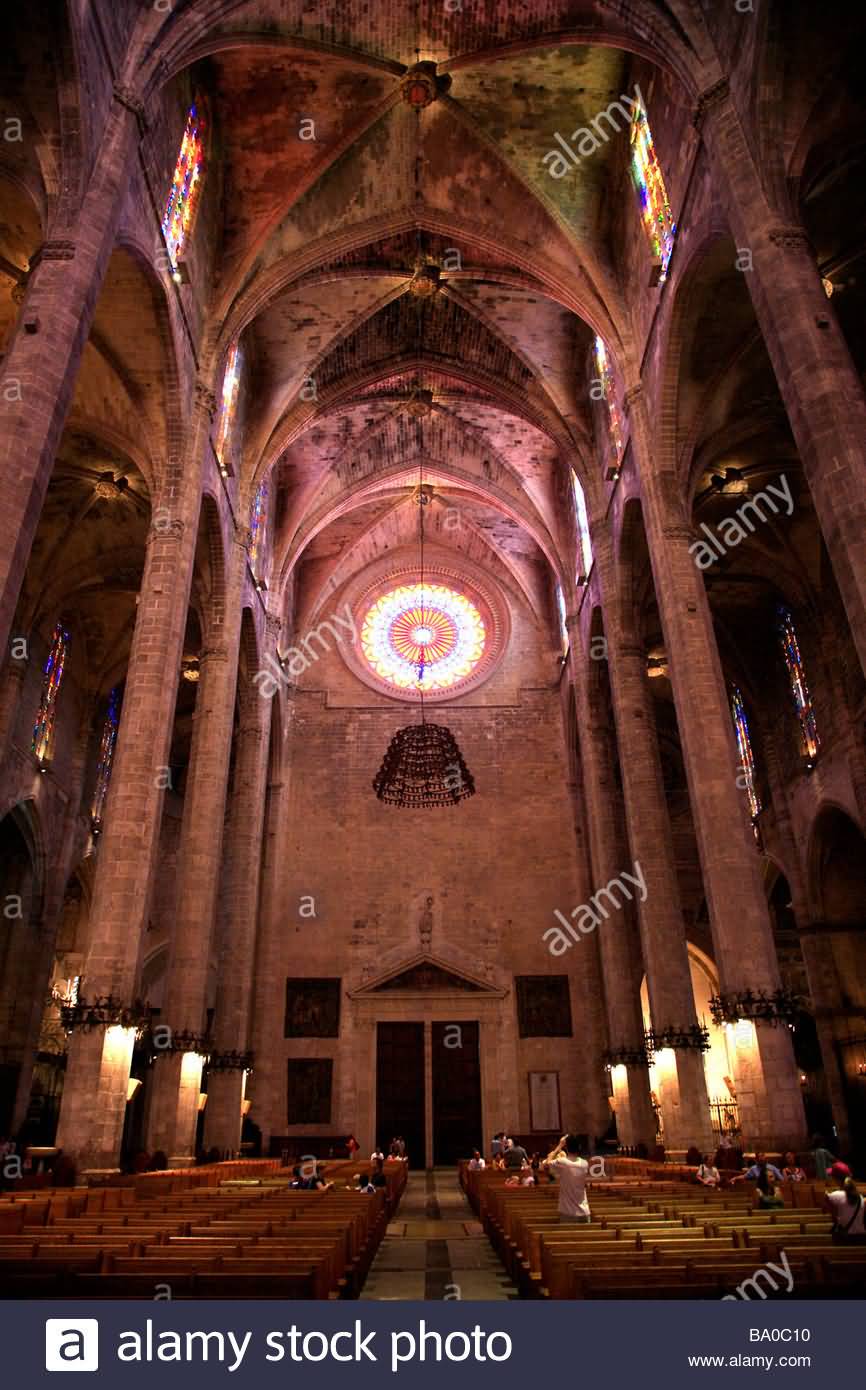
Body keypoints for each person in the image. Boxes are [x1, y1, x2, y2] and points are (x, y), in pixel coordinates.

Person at [544, 1134, 591, 1222]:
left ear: (567, 1147)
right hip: (584, 1211)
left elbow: (546, 1164)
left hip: (568, 1212)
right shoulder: (585, 1163)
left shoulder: (563, 1162)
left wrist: (559, 1145)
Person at [825, 1163, 866, 1242]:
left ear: (836, 1179)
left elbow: (834, 1217)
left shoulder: (833, 1196)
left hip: (845, 1239)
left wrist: (827, 1198)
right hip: (862, 1238)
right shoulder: (860, 1197)